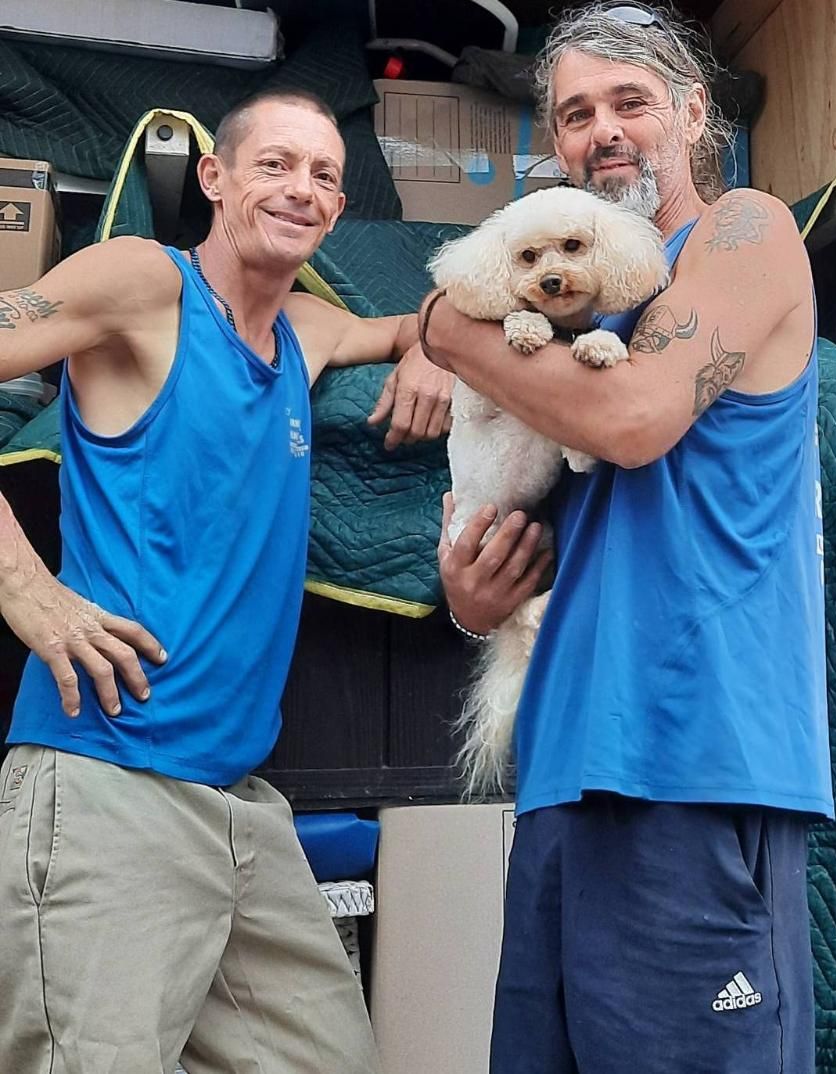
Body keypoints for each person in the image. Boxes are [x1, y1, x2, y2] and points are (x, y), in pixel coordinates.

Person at [0, 87, 453, 1073]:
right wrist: (25, 589)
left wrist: (433, 345)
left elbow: (419, 323)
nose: (302, 189)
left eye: (324, 175)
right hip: (109, 781)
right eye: (275, 164)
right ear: (213, 177)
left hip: (240, 807)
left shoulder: (307, 332)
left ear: (340, 209)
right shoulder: (143, 283)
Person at [424, 5, 832, 1072]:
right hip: (565, 766)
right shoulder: (568, 316)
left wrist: (440, 328)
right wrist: (473, 593)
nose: (602, 130)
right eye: (574, 114)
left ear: (694, 114)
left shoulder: (745, 232)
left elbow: (636, 418)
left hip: (697, 759)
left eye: (630, 102)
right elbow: (523, 516)